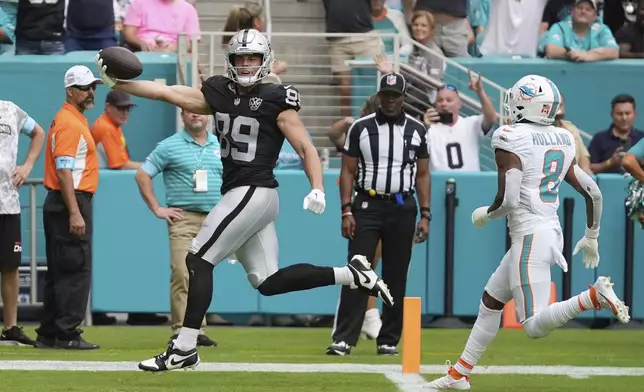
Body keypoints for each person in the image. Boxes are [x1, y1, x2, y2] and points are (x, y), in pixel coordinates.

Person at [94, 28, 394, 372]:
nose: (247, 63)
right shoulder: (219, 92)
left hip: (255, 190)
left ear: (264, 60)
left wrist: (317, 187)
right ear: (231, 60)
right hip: (243, 193)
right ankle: (351, 274)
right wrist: (116, 84)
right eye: (241, 57)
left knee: (199, 258)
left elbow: (306, 147)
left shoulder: (276, 97)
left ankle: (184, 347)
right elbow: (166, 92)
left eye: (252, 57)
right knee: (267, 282)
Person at [426, 74, 630, 390]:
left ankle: (592, 297)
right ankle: (460, 373)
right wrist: (591, 235)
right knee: (491, 301)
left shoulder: (511, 136)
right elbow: (594, 192)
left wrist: (485, 214)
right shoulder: (562, 137)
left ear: (524, 103)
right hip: (548, 230)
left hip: (530, 235)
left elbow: (508, 200)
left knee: (533, 325)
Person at [328, 72, 430, 356]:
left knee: (396, 275)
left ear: (403, 98)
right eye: (385, 94)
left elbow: (423, 174)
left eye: (395, 95)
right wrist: (346, 210)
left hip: (402, 205)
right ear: (379, 96)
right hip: (367, 203)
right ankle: (345, 338)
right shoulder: (361, 127)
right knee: (358, 269)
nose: (390, 100)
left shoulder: (417, 129)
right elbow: (347, 170)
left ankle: (389, 339)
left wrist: (426, 214)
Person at [135, 109, 220, 347]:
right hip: (183, 218)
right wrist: (157, 208)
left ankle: (197, 330)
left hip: (214, 219)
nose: (196, 116)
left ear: (209, 116)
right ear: (182, 115)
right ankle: (181, 329)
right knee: (182, 272)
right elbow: (142, 175)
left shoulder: (222, 145)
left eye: (201, 112)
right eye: (190, 111)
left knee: (202, 276)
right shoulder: (169, 146)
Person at [35, 65, 103, 350]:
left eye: (93, 87)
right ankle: (67, 333)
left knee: (60, 269)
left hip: (62, 201)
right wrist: (75, 211)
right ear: (70, 91)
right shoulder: (70, 123)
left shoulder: (69, 119)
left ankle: (50, 332)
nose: (91, 92)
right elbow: (64, 171)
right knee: (76, 269)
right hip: (70, 201)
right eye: (86, 88)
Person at [327, 93, 383, 340]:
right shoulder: (359, 134)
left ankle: (367, 318)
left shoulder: (388, 137)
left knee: (371, 264)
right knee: (361, 265)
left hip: (382, 203)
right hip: (363, 202)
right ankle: (359, 321)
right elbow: (332, 134)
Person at [0, 99, 45, 346]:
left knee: (10, 266)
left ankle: (11, 328)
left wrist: (27, 167)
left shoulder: (11, 110)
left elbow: (39, 132)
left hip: (7, 202)